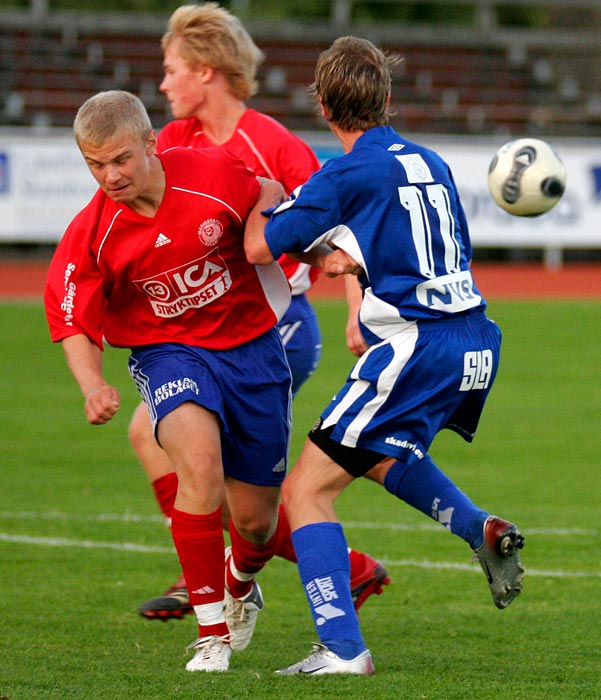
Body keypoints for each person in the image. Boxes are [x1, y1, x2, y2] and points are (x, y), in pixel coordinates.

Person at [244, 36, 526, 675]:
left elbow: (263, 247)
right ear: (388, 97)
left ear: (322, 103)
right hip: (474, 338)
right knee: (372, 454)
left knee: (305, 490)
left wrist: (254, 192)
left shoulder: (343, 174)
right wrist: (349, 261)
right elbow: (426, 249)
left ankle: (342, 648)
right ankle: (479, 527)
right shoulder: (430, 161)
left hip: (416, 345)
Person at [43, 89, 335, 673]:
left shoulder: (209, 172)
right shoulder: (93, 231)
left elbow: (270, 191)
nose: (110, 175)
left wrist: (264, 229)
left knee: (255, 522)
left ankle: (242, 582)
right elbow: (70, 317)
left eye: (120, 159)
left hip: (253, 350)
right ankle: (211, 635)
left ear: (151, 143)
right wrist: (92, 384)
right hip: (167, 353)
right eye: (95, 165)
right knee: (197, 466)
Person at [130, 2, 390, 625]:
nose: (163, 84)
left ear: (207, 71)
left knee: (199, 462)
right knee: (172, 447)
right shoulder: (170, 142)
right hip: (205, 335)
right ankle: (242, 571)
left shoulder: (270, 142)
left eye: (171, 70)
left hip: (281, 327)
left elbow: (345, 225)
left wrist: (357, 312)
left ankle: (228, 575)